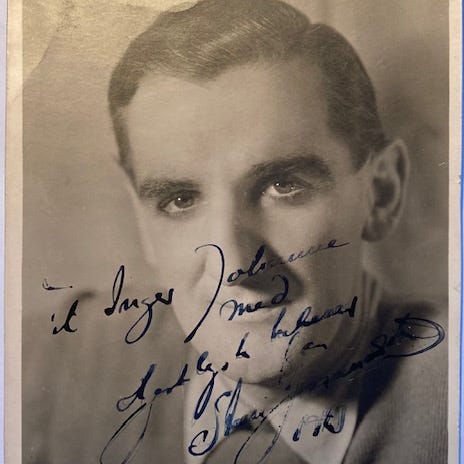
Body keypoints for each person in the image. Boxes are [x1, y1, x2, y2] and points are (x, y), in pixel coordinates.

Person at [24, 0, 447, 463]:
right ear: (140, 216)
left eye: (283, 186)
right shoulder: (53, 369)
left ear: (381, 192)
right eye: (180, 200)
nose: (235, 264)